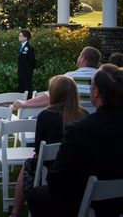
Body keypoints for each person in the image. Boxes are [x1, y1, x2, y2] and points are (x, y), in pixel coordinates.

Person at [27, 64, 123, 217]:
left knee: (37, 194)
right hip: (118, 202)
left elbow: (55, 179)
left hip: (85, 200)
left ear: (96, 92)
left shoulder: (80, 129)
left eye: (91, 85)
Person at [9, 75, 88, 217]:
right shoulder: (84, 114)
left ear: (55, 94)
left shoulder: (46, 115)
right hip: (79, 167)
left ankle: (15, 212)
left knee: (28, 165)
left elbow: (39, 147)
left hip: (52, 166)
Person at [13, 46, 101, 110]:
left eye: (80, 55)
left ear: (82, 59)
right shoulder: (103, 78)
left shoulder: (70, 78)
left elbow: (50, 97)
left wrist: (24, 103)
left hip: (71, 125)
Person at [17, 30, 36, 99]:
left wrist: (33, 68)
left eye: (20, 36)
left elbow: (32, 59)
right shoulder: (22, 46)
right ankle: (22, 100)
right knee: (21, 85)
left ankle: (28, 100)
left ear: (25, 38)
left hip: (27, 70)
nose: (18, 37)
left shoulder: (29, 48)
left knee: (27, 86)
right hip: (21, 70)